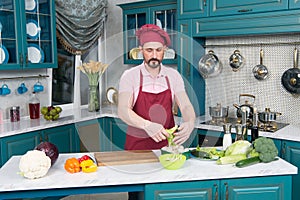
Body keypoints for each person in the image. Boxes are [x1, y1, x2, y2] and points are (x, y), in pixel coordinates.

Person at [118, 24, 196, 151]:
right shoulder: (130, 76)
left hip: (167, 147)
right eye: (149, 50)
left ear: (165, 49)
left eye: (158, 50)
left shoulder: (173, 75)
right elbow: (123, 110)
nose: (154, 55)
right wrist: (147, 125)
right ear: (141, 49)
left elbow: (185, 105)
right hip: (137, 147)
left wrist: (190, 122)